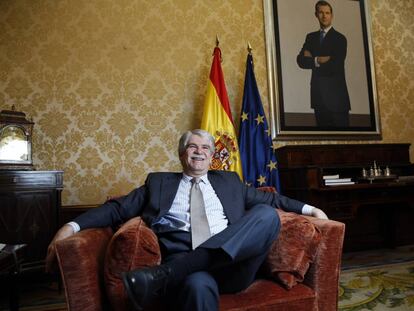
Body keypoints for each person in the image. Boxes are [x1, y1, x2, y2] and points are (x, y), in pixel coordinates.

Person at [46, 129, 328, 311]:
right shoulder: (158, 183)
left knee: (266, 216)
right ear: (182, 154)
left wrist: (310, 209)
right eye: (192, 147)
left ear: (212, 156)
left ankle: (160, 277)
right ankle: (173, 273)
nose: (199, 151)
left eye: (206, 148)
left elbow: (271, 201)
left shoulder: (229, 182)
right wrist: (69, 227)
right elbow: (116, 209)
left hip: (235, 266)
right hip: (189, 266)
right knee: (196, 287)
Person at [297, 0, 351, 128]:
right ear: (316, 14)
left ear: (332, 15)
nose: (324, 16)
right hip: (318, 98)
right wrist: (318, 60)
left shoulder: (340, 39)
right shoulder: (311, 37)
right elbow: (300, 61)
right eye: (321, 12)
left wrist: (311, 59)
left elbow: (335, 66)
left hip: (337, 100)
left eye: (327, 13)